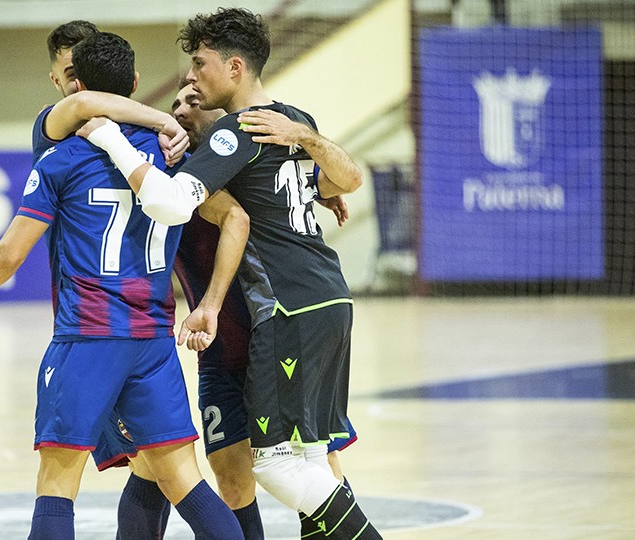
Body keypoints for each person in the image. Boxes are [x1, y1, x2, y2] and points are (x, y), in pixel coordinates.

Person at [79, 8, 382, 539]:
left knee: (282, 466)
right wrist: (316, 173)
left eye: (199, 69)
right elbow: (338, 183)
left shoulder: (236, 137)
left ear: (235, 67)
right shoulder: (274, 125)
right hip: (307, 308)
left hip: (286, 311)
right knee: (296, 462)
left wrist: (112, 138)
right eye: (178, 100)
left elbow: (179, 204)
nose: (189, 85)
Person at [0, 31, 243, 540]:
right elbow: (233, 215)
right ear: (136, 83)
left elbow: (9, 254)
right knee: (187, 485)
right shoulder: (169, 159)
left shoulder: (59, 159)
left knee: (57, 485)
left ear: (74, 83)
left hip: (86, 338)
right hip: (152, 342)